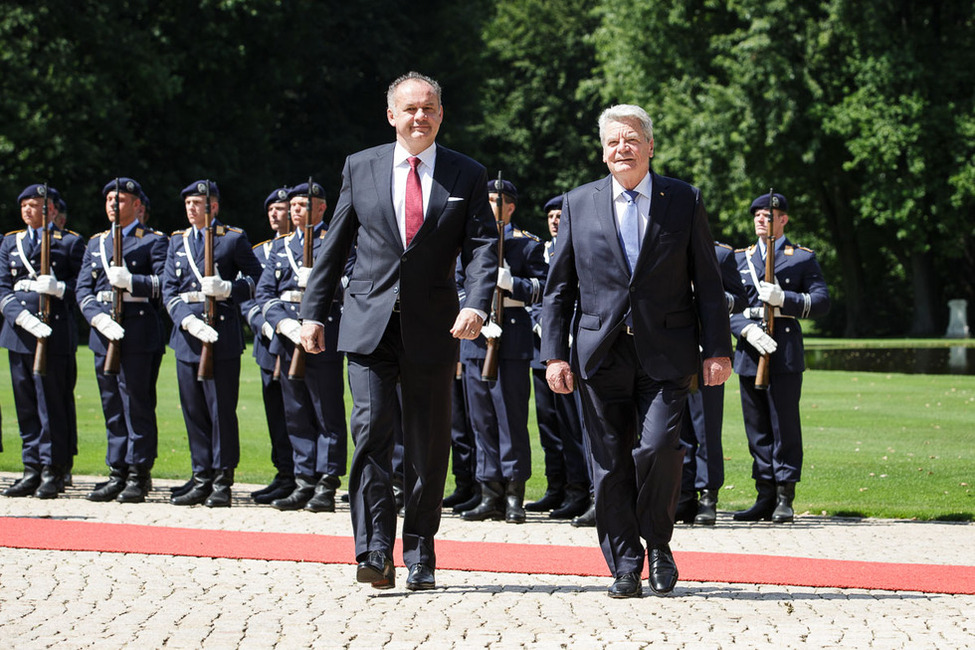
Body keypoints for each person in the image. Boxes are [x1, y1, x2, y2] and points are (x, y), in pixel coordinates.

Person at [299, 71, 497, 591]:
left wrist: (477, 304)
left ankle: (421, 549)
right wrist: (314, 312)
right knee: (371, 434)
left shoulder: (466, 174)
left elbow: (482, 248)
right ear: (392, 115)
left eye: (429, 108)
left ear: (440, 115)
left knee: (428, 446)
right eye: (409, 109)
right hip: (368, 326)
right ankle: (372, 550)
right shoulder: (360, 167)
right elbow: (335, 243)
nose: (419, 117)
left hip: (435, 328)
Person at [541, 104, 733, 598]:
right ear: (602, 151)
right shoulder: (579, 203)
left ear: (649, 146)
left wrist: (716, 349)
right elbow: (558, 289)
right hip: (599, 354)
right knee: (608, 464)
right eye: (612, 142)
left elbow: (708, 285)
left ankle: (660, 543)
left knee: (657, 449)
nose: (620, 148)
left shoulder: (683, 199)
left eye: (630, 140)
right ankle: (625, 563)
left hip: (666, 352)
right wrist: (554, 355)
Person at [730, 192, 830, 523]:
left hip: (783, 351)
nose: (761, 219)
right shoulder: (741, 258)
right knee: (756, 427)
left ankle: (785, 495)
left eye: (768, 215)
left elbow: (821, 301)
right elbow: (724, 302)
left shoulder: (799, 258)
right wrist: (745, 329)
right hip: (750, 350)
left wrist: (785, 298)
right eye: (757, 215)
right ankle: (764, 494)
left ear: (783, 219)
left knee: (783, 425)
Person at [162, 180, 263, 507]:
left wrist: (227, 289)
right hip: (187, 336)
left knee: (220, 411)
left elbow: (257, 280)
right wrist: (186, 320)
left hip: (221, 336)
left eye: (198, 203)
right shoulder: (177, 242)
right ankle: (201, 474)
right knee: (193, 410)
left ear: (213, 207)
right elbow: (168, 289)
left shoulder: (232, 238)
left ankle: (222, 479)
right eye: (188, 203)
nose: (192, 209)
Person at [257, 181, 349, 512]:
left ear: (322, 208)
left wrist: (329, 283)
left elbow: (353, 281)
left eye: (304, 205)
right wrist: (284, 325)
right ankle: (304, 478)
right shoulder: (281, 247)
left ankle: (327, 482)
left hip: (323, 334)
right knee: (295, 412)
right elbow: (264, 293)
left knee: (326, 411)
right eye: (293, 206)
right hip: (288, 339)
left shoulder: (335, 240)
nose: (296, 211)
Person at [458, 179, 546, 525]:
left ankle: (513, 495)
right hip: (477, 337)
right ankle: (489, 492)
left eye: (498, 201)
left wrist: (513, 284)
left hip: (510, 337)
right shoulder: (471, 241)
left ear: (510, 207)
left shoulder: (525, 245)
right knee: (480, 420)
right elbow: (455, 285)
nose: (492, 206)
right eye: (488, 200)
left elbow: (544, 288)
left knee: (510, 418)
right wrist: (476, 311)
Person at [76, 178, 169, 503]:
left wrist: (134, 282)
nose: (114, 204)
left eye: (122, 199)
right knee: (111, 404)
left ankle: (138, 473)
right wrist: (97, 318)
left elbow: (163, 284)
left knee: (137, 403)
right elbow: (82, 289)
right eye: (110, 199)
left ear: (137, 206)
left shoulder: (154, 241)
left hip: (139, 331)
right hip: (104, 332)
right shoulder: (96, 243)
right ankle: (116, 470)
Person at [0, 184, 84, 499]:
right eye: (24, 205)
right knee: (26, 405)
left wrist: (60, 288)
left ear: (49, 209)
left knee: (51, 404)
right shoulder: (11, 242)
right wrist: (21, 318)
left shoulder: (70, 243)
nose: (27, 210)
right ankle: (31, 467)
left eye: (33, 205)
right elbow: (2, 286)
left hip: (54, 334)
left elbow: (83, 286)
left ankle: (53, 468)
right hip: (19, 333)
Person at [526, 194, 591, 520]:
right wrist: (544, 327)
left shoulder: (582, 245)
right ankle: (557, 487)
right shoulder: (539, 251)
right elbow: (539, 297)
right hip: (545, 350)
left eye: (560, 215)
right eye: (551, 216)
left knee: (577, 425)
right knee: (549, 424)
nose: (555, 220)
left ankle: (582, 490)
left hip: (576, 347)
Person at [676, 241, 748, 525]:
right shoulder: (665, 246)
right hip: (673, 350)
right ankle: (682, 494)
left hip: (707, 350)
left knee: (706, 428)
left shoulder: (719, 253)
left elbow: (739, 299)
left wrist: (709, 297)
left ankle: (708, 495)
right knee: (676, 428)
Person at [242, 186, 297, 505]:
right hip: (268, 340)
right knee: (276, 411)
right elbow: (250, 298)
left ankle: (306, 473)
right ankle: (284, 471)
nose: (277, 214)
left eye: (282, 209)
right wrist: (264, 323)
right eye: (272, 210)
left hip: (297, 339)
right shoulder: (259, 252)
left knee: (302, 409)